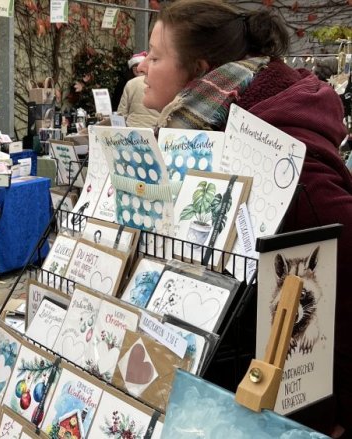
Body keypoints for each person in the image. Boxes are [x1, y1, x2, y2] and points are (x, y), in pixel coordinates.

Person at [139, 1, 352, 436]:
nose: (143, 66)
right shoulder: (203, 139)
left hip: (282, 414)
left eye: (156, 56)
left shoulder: (284, 156)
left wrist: (336, 415)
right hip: (220, 390)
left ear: (198, 71)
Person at [116, 51, 160, 128]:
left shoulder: (130, 83)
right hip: (154, 129)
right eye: (134, 66)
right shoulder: (161, 83)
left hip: (132, 128)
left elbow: (121, 113)